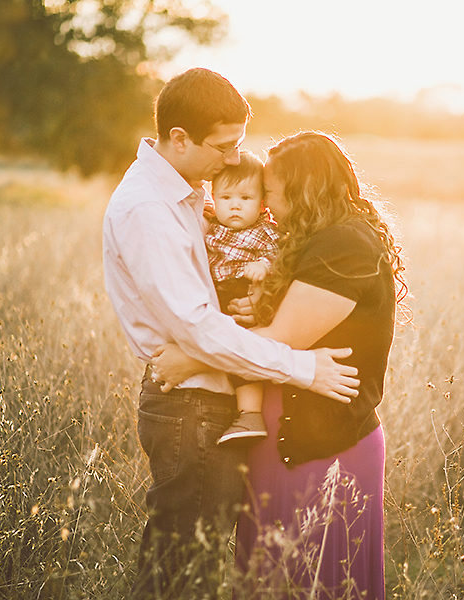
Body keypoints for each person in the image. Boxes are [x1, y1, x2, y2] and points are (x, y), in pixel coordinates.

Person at [101, 69, 360, 599]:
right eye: (224, 146)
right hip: (191, 410)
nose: (234, 159)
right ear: (180, 139)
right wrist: (305, 369)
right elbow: (196, 328)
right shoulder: (149, 209)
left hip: (203, 399)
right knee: (180, 569)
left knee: (188, 559)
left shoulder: (184, 195)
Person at [152, 131, 407, 599]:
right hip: (281, 437)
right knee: (270, 579)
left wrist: (187, 359)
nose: (264, 200)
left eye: (270, 189)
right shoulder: (307, 239)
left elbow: (282, 338)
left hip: (323, 445)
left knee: (320, 580)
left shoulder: (344, 245)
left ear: (302, 189)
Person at [204, 151, 278, 443]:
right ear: (214, 198)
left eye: (245, 199)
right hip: (216, 298)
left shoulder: (264, 233)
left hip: (243, 291)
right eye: (226, 198)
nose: (235, 205)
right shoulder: (214, 227)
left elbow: (283, 256)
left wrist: (264, 266)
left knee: (242, 349)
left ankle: (250, 414)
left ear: (261, 204)